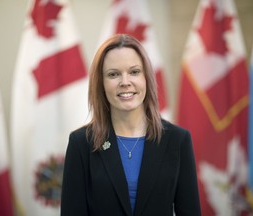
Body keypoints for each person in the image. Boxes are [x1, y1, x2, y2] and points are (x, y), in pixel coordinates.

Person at [61, 34, 201, 216]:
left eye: (134, 72)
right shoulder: (81, 143)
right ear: (101, 84)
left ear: (146, 78)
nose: (125, 82)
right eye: (113, 74)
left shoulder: (177, 140)